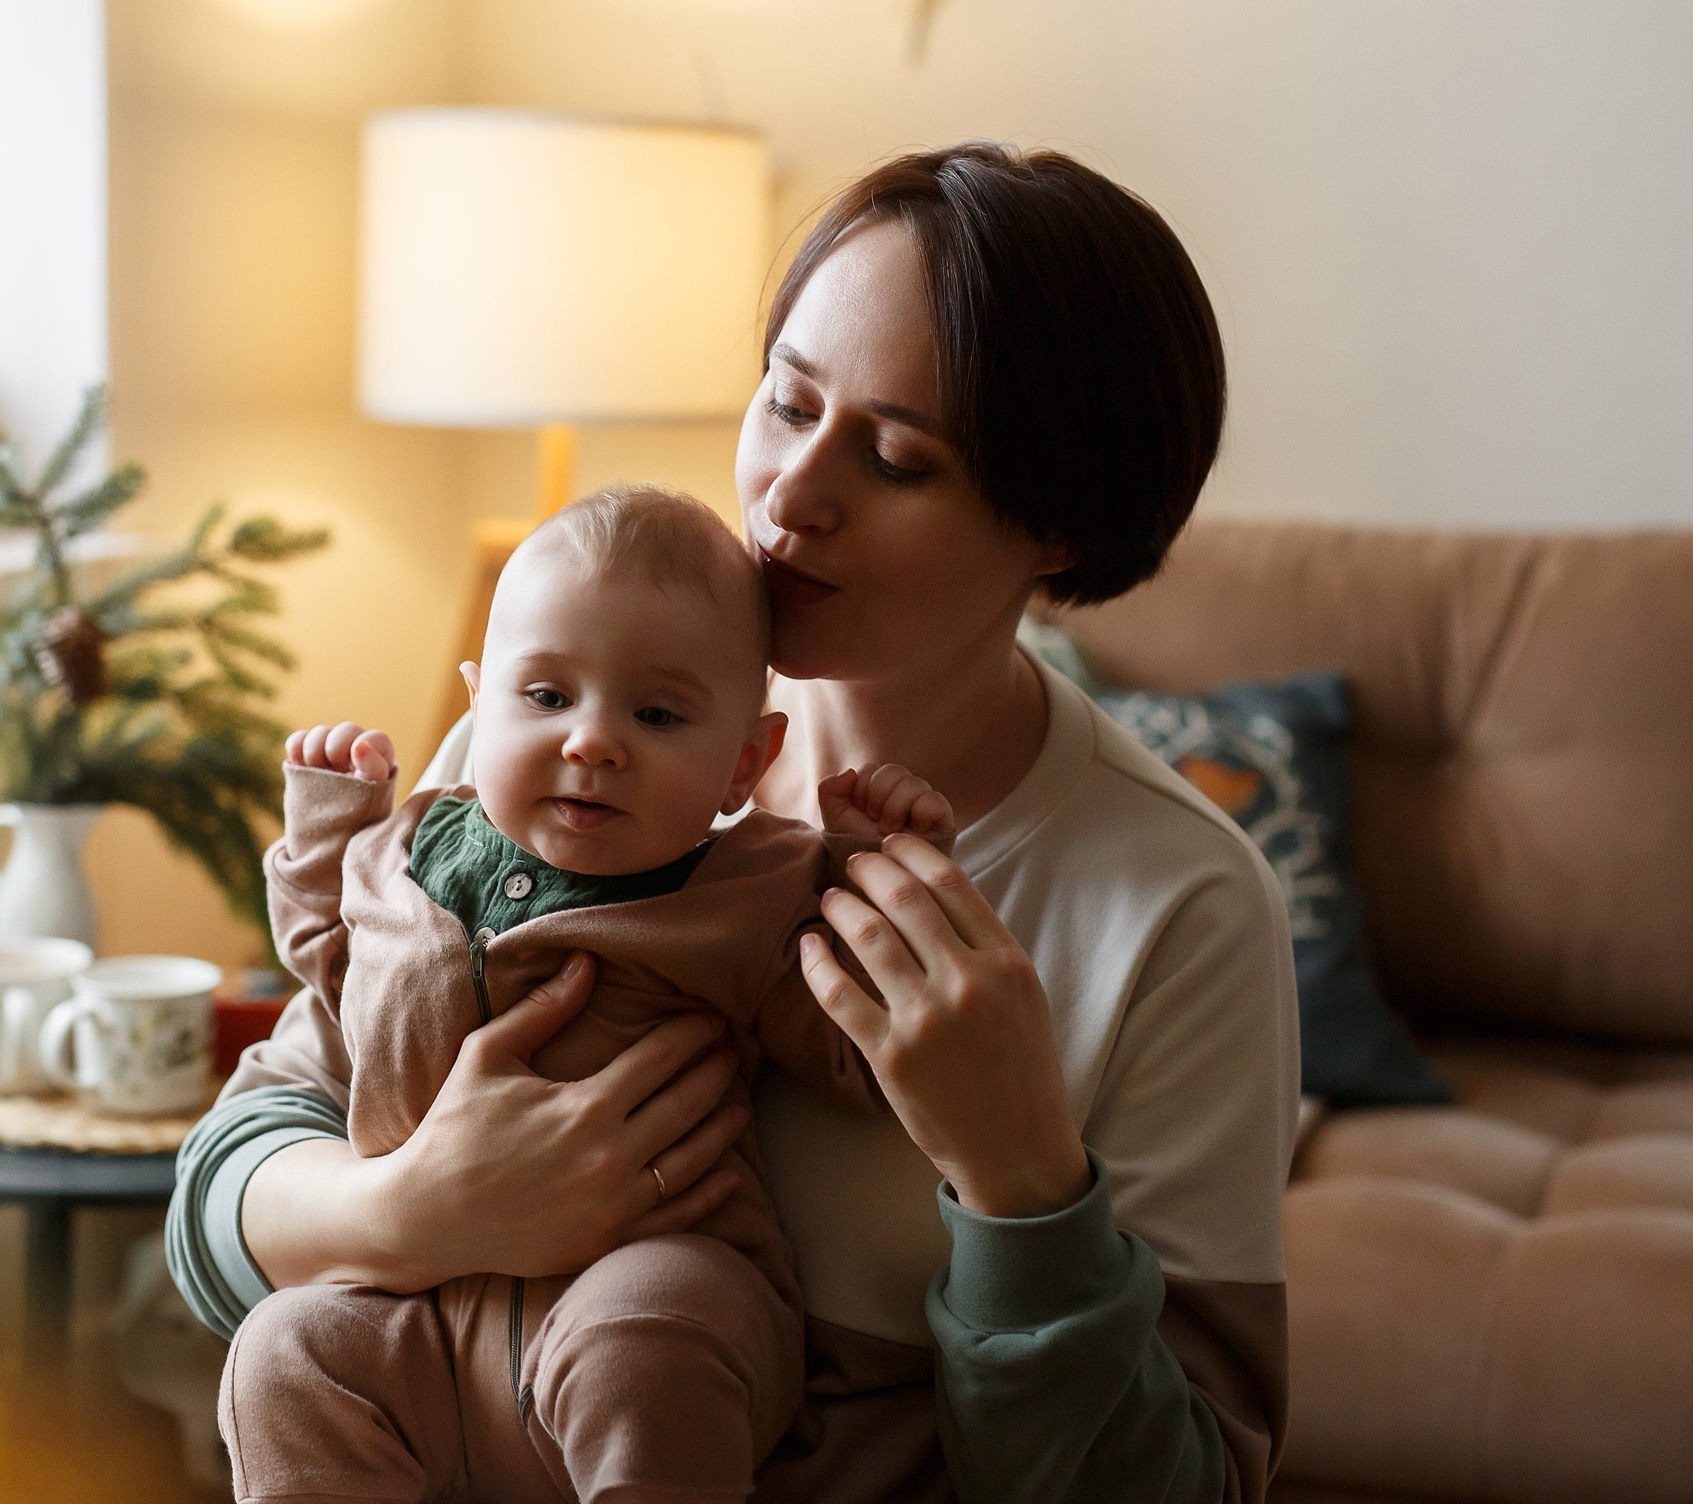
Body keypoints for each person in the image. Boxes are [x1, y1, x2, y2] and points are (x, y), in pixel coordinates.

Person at [169, 140, 1299, 1502]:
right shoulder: (552, 738)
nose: (788, 495)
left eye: (894, 458)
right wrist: (408, 1210)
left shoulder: (1177, 905)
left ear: (1059, 527)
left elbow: (1194, 1484)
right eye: (787, 400)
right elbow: (221, 1195)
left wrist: (1020, 1181)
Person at [225, 485, 953, 1503]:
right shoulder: (406, 845)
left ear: (745, 762)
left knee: (647, 1343)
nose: (593, 742)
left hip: (649, 1275)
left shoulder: (750, 890)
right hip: (415, 1306)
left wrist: (875, 868)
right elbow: (331, 966)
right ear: (478, 703)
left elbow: (858, 1052)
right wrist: (325, 829)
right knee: (285, 1347)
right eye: (546, 696)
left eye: (656, 714)